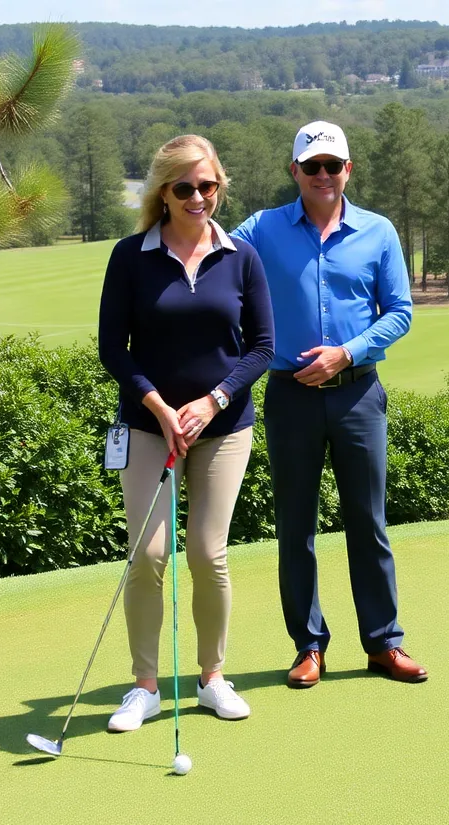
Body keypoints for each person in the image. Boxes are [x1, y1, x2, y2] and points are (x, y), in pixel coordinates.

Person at [233, 121, 425, 688]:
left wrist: (346, 352)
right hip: (289, 395)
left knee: (369, 522)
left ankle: (383, 643)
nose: (323, 175)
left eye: (332, 165)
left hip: (358, 394)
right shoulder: (262, 229)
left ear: (349, 169)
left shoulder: (378, 231)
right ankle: (308, 646)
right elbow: (209, 248)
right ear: (294, 171)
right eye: (311, 166)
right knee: (296, 527)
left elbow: (399, 312)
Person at [98, 135, 274, 730]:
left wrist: (212, 400)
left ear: (219, 186)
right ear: (163, 192)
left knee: (206, 551)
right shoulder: (131, 256)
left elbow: (262, 348)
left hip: (223, 428)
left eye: (209, 185)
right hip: (148, 427)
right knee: (147, 554)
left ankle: (212, 678)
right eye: (185, 187)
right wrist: (160, 407)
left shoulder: (241, 257)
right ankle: (144, 687)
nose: (199, 197)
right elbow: (111, 349)